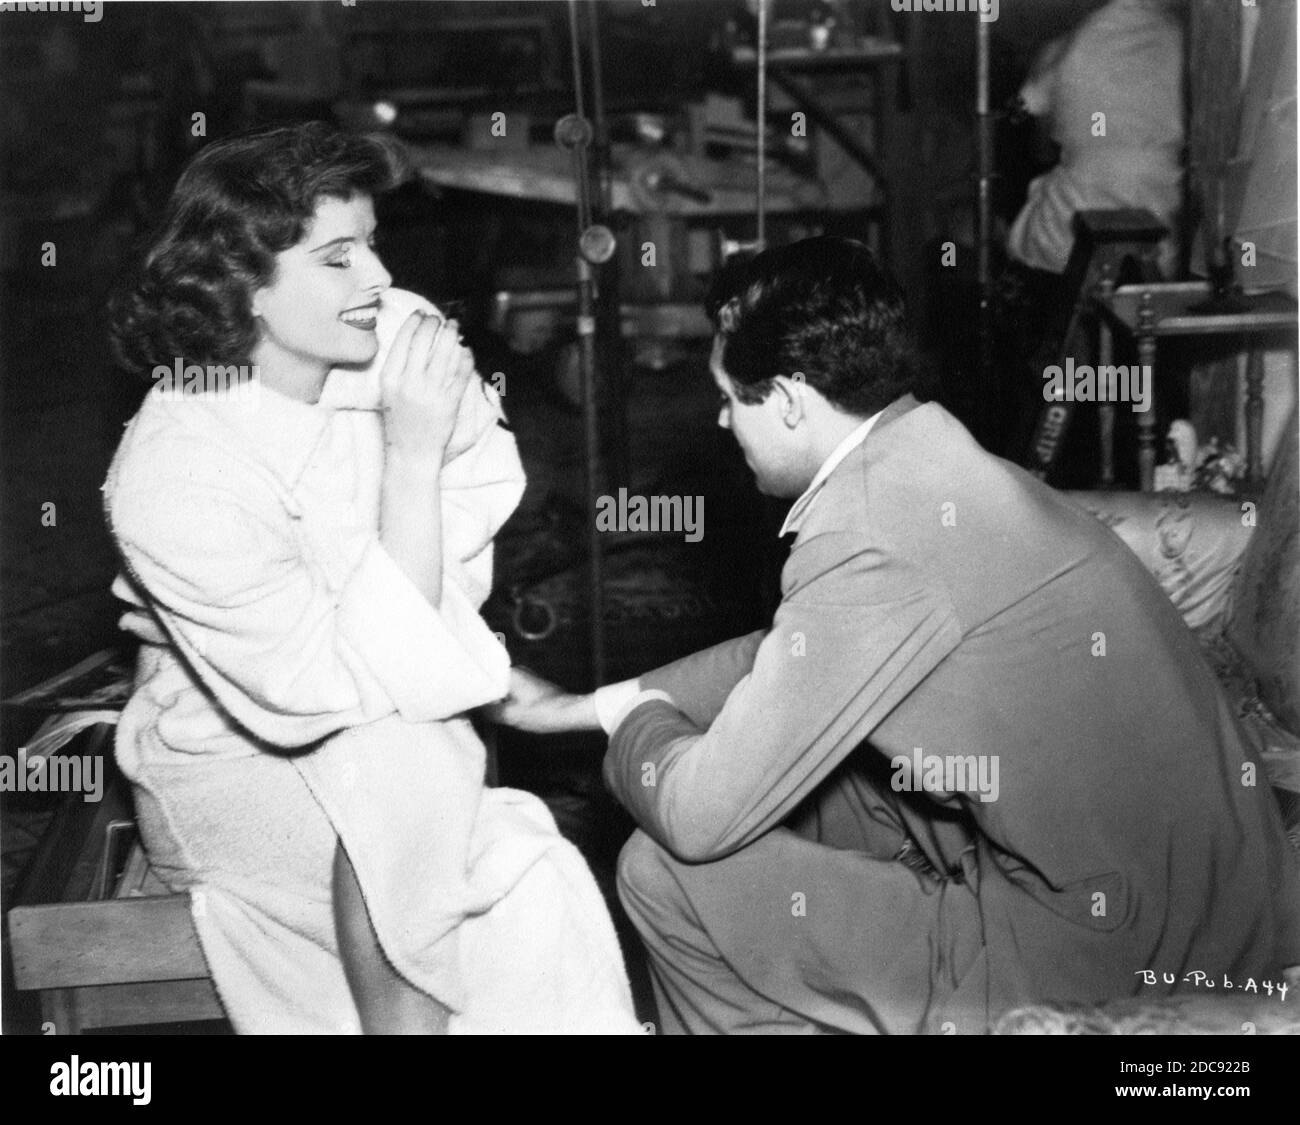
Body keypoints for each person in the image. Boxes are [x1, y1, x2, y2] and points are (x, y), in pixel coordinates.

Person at [490, 236, 1300, 1034]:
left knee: (663, 870)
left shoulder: (870, 535)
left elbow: (699, 814)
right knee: (821, 787)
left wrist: (633, 732)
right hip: (1217, 886)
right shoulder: (927, 453)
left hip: (1126, 944)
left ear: (791, 400)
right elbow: (779, 657)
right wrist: (580, 706)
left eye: (731, 396)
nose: (719, 419)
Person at [105, 122, 638, 1034]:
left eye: (374, 246)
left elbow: (484, 477)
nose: (380, 280)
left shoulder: (388, 327)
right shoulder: (172, 472)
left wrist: (414, 521)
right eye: (338, 258)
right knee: (427, 775)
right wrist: (409, 461)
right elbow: (322, 694)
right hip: (237, 762)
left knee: (474, 819)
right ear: (246, 288)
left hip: (397, 725)